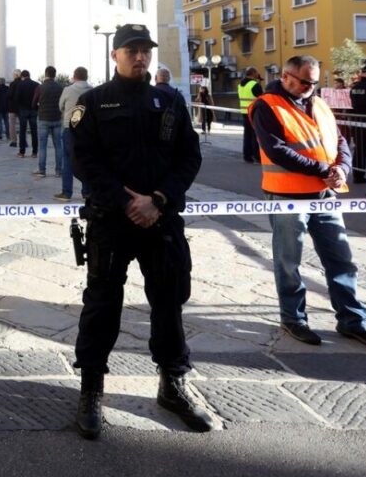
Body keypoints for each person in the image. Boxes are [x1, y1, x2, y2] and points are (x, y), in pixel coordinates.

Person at [68, 24, 211, 439]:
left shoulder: (169, 101)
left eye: (145, 50)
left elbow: (189, 156)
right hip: (111, 222)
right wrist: (126, 201)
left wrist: (159, 199)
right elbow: (84, 161)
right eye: (131, 50)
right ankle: (91, 386)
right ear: (115, 55)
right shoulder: (92, 102)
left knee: (169, 302)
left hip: (161, 221)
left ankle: (172, 383)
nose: (139, 56)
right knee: (101, 303)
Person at [249, 55, 366, 352]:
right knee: (288, 262)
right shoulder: (267, 105)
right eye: (305, 82)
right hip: (287, 197)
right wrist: (323, 170)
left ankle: (352, 320)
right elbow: (276, 150)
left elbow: (339, 141)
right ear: (286, 76)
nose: (310, 87)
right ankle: (293, 318)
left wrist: (343, 169)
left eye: (315, 82)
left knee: (341, 259)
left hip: (325, 195)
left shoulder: (319, 103)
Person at [56, 67, 93, 201]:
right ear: (86, 76)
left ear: (75, 76)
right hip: (88, 130)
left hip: (69, 128)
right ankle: (87, 192)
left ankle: (67, 192)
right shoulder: (92, 90)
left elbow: (60, 106)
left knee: (68, 160)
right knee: (87, 160)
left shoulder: (68, 90)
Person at [33, 66, 64, 177]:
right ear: (55, 75)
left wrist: (39, 108)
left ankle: (42, 170)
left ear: (46, 74)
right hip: (56, 118)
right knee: (58, 146)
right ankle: (59, 171)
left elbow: (34, 103)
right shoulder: (60, 87)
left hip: (43, 118)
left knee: (43, 146)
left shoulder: (40, 87)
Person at [238, 67, 262, 163]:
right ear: (252, 73)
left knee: (247, 135)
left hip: (244, 112)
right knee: (255, 135)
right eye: (257, 72)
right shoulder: (254, 85)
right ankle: (257, 156)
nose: (258, 74)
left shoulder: (240, 85)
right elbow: (261, 98)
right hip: (254, 112)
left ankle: (247, 156)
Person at [14, 69, 40, 158]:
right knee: (34, 131)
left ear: (22, 76)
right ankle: (34, 152)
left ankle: (22, 152)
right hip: (33, 110)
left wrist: (18, 109)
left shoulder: (20, 84)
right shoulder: (36, 84)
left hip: (23, 110)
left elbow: (16, 98)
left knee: (22, 131)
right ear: (29, 75)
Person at [8, 69, 22, 148]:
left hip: (13, 107)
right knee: (22, 125)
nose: (12, 75)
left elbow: (9, 95)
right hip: (21, 107)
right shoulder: (22, 83)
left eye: (13, 74)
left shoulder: (13, 84)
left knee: (12, 125)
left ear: (16, 75)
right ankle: (24, 140)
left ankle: (14, 141)